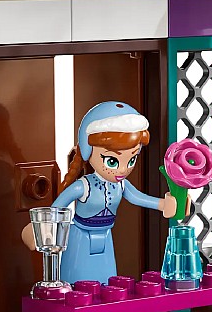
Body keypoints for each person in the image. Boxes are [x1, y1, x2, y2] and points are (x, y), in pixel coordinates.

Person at [21, 101, 177, 284]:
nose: (123, 169)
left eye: (131, 160)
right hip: (80, 238)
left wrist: (163, 204)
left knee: (107, 282)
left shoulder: (121, 185)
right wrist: (39, 228)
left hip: (106, 236)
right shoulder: (83, 186)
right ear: (88, 151)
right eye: (112, 161)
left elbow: (137, 197)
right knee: (78, 284)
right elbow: (57, 209)